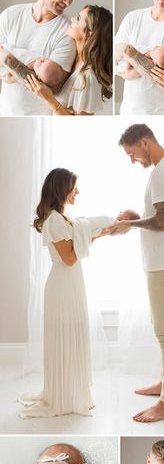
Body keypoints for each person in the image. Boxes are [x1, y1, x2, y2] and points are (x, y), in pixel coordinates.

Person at [19, 168, 115, 419]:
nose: (78, 192)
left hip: (71, 284)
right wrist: (93, 235)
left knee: (73, 336)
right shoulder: (53, 220)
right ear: (63, 189)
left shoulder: (62, 218)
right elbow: (70, 258)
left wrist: (99, 234)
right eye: (74, 188)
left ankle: (74, 394)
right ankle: (66, 398)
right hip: (62, 287)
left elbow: (75, 250)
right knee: (66, 337)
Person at [113, 123, 164, 423]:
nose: (134, 161)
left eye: (132, 154)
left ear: (145, 143)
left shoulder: (161, 172)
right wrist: (136, 217)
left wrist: (130, 225)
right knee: (163, 329)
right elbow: (161, 216)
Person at [0, 0, 86, 115]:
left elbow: (52, 85)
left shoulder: (67, 33)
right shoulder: (10, 15)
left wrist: (7, 59)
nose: (68, 2)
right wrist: (14, 71)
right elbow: (32, 78)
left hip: (39, 118)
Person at [24, 4, 113, 115]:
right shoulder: (73, 59)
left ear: (90, 33)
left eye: (78, 19)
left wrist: (48, 98)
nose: (72, 19)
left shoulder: (88, 78)